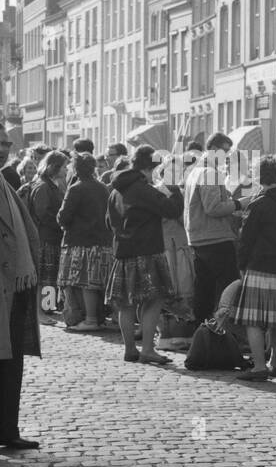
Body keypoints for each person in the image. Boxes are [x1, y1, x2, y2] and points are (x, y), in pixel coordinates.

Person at [104, 145, 184, 365]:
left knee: (126, 304)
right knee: (154, 300)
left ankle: (130, 349)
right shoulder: (141, 188)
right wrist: (174, 188)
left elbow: (108, 222)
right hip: (146, 250)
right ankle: (147, 349)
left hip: (123, 251)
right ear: (151, 167)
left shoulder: (115, 189)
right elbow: (172, 210)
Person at [232, 157, 276, 380]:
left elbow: (246, 239)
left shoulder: (258, 204)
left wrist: (241, 266)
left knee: (254, 320)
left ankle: (259, 366)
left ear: (259, 178)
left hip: (260, 266)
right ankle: (274, 362)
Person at [0, 165, 41, 449]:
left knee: (11, 362)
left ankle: (7, 429)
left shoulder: (5, 183)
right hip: (6, 282)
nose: (3, 147)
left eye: (5, 142)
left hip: (14, 285)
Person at [184, 132, 244, 323]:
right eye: (225, 151)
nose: (227, 156)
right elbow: (213, 208)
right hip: (214, 238)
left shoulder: (196, 171)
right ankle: (224, 333)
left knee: (204, 289)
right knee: (229, 288)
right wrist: (239, 204)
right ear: (213, 150)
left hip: (200, 237)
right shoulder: (209, 172)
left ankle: (202, 333)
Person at [55, 152, 113, 331]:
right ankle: (100, 317)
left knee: (85, 282)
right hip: (103, 240)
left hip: (80, 241)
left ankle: (90, 319)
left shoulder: (76, 188)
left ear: (76, 169)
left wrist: (61, 219)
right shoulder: (103, 187)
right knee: (99, 282)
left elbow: (63, 217)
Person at [26, 151, 69, 320]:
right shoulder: (44, 186)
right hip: (45, 238)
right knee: (45, 276)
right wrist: (61, 224)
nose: (66, 170)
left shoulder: (50, 184)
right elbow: (41, 213)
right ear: (55, 167)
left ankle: (47, 308)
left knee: (48, 277)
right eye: (64, 167)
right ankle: (41, 311)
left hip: (50, 237)